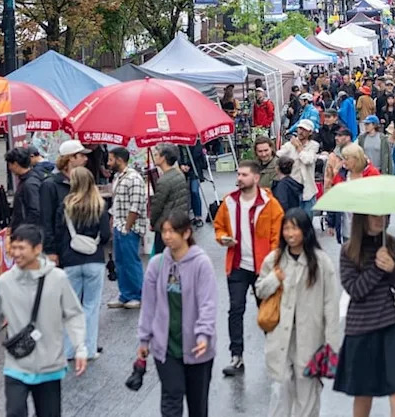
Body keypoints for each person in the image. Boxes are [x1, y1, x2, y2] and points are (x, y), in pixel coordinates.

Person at [0, 224, 87, 417]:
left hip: (49, 364)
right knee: (15, 411)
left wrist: (80, 348)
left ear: (37, 249)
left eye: (21, 248)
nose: (15, 253)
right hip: (16, 364)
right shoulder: (5, 282)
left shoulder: (58, 279)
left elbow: (73, 314)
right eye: (13, 247)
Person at [254, 208, 342, 417]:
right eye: (286, 228)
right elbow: (260, 290)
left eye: (295, 228)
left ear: (305, 231)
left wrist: (331, 343)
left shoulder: (321, 263)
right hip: (280, 336)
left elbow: (330, 304)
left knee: (308, 394)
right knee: (280, 389)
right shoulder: (274, 259)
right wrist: (275, 278)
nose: (290, 234)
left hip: (311, 338)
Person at [334, 213, 395, 417]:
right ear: (363, 218)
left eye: (384, 215)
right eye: (374, 216)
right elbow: (355, 290)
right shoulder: (349, 252)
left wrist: (393, 269)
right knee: (363, 393)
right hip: (362, 328)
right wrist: (378, 268)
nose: (380, 219)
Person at [137, 211, 218, 417]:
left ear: (186, 233)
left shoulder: (201, 263)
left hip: (197, 348)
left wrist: (203, 335)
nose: (167, 236)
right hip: (166, 347)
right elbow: (148, 304)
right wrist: (144, 339)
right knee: (171, 398)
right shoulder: (157, 264)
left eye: (172, 231)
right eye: (164, 231)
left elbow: (208, 303)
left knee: (197, 405)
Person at [213, 160, 284, 377]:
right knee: (235, 310)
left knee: (267, 312)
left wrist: (272, 264)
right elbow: (219, 226)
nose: (239, 178)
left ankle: (277, 353)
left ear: (255, 178)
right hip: (237, 265)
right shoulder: (229, 202)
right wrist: (222, 238)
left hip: (263, 268)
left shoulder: (270, 205)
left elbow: (276, 236)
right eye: (238, 174)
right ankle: (236, 357)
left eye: (244, 175)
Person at [57, 166, 111, 362]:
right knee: (91, 305)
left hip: (71, 259)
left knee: (72, 307)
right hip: (94, 259)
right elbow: (105, 235)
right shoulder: (100, 205)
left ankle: (70, 350)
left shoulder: (66, 205)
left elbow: (58, 232)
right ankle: (88, 349)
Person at [108, 146, 147, 310]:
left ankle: (137, 294)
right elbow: (117, 201)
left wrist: (127, 226)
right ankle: (124, 294)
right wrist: (113, 218)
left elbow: (136, 205)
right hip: (118, 224)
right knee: (120, 261)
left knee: (131, 261)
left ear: (119, 159)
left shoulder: (134, 178)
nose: (108, 163)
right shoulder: (118, 177)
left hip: (129, 227)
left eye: (111, 159)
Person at [40, 140, 89, 265]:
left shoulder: (80, 182)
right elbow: (46, 219)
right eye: (82, 155)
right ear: (71, 158)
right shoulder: (50, 185)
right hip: (61, 248)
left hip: (80, 247)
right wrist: (50, 250)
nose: (86, 159)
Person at [149, 143, 191, 254]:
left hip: (165, 223)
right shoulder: (179, 174)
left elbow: (157, 206)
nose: (155, 157)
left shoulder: (163, 181)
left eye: (157, 154)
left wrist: (152, 222)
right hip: (178, 222)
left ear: (163, 158)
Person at [278, 119, 321, 214]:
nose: (301, 132)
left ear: (310, 132)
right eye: (300, 129)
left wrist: (298, 148)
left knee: (307, 222)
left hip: (308, 190)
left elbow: (307, 160)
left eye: (304, 130)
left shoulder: (313, 146)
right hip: (292, 190)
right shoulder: (289, 145)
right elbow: (278, 156)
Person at [5, 147, 46, 231]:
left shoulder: (29, 184)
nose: (9, 168)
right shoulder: (31, 178)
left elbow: (35, 211)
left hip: (27, 233)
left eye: (9, 164)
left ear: (15, 164)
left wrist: (24, 231)